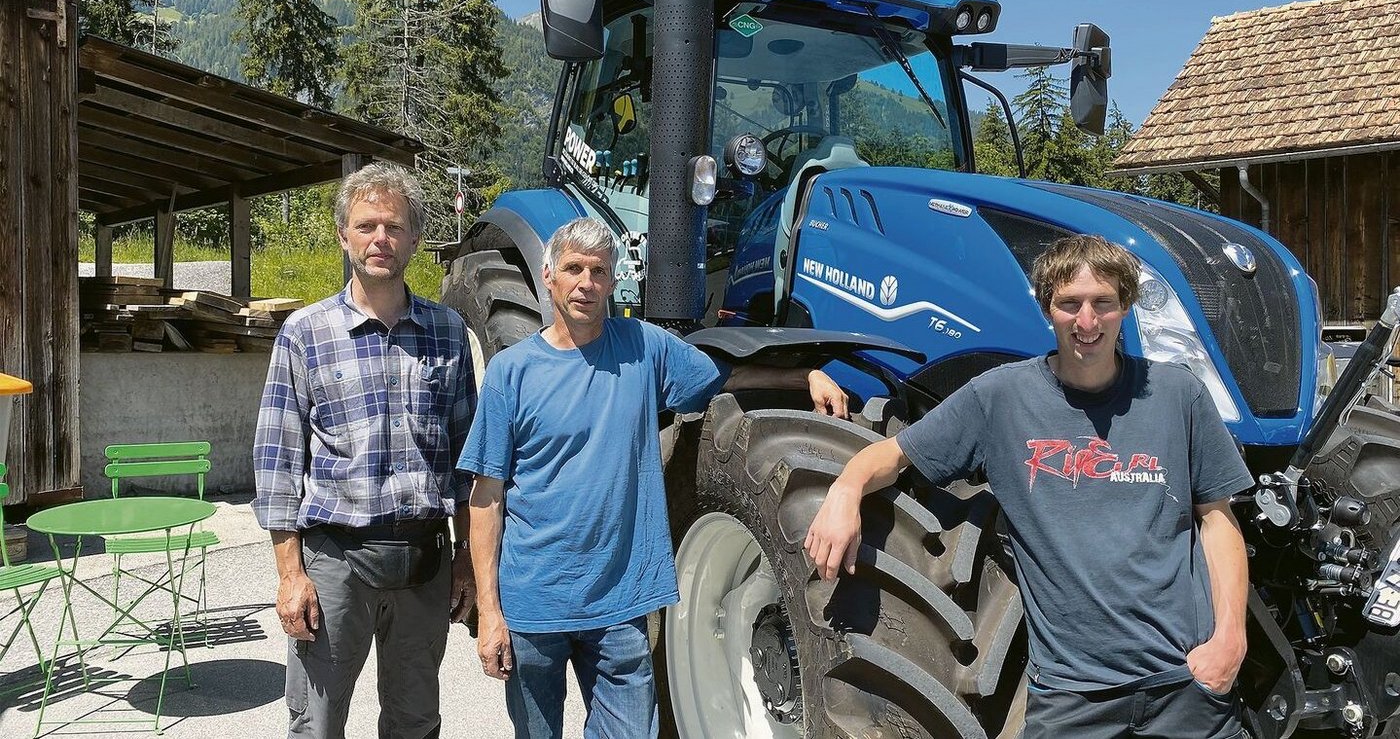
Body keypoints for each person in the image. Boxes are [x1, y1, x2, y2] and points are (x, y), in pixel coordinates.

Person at [806, 234, 1252, 738]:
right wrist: (845, 491)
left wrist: (1230, 639)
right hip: (1071, 697)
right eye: (1070, 304)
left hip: (1185, 685)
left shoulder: (1178, 394)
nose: (1087, 321)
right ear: (1047, 308)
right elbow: (893, 454)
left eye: (1103, 302)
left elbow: (1218, 520)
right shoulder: (1001, 398)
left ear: (1125, 305)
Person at [459, 216, 848, 739]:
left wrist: (803, 377)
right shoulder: (513, 372)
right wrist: (490, 611)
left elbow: (725, 377)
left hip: (620, 604)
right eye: (573, 269)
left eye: (599, 271)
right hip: (535, 604)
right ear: (548, 276)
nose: (586, 283)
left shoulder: (643, 346)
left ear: (612, 281)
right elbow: (486, 496)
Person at [253, 163, 475, 739]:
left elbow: (466, 462)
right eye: (367, 225)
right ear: (343, 236)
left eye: (394, 226)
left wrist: (467, 558)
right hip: (336, 563)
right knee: (317, 722)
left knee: (415, 721)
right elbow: (277, 462)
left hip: (424, 562)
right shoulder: (305, 333)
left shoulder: (448, 332)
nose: (381, 238)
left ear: (415, 238)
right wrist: (290, 575)